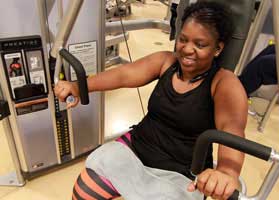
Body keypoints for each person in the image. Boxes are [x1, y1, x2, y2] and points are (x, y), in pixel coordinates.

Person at [55, 2, 247, 200]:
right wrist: (78, 87)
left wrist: (226, 173)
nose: (188, 50)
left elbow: (232, 132)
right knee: (83, 192)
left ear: (218, 48)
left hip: (182, 169)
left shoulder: (224, 83)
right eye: (183, 39)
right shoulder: (166, 62)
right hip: (138, 146)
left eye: (200, 44)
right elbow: (123, 75)